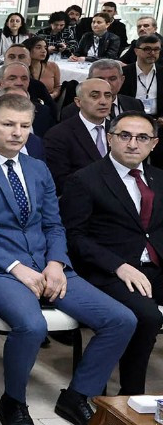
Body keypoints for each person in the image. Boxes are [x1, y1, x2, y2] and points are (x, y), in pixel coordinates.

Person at [0, 95, 134, 425]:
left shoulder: (38, 168)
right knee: (32, 325)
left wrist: (56, 263)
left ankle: (78, 396)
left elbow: (54, 225)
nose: (17, 133)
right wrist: (16, 267)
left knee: (121, 319)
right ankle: (13, 403)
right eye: (8, 124)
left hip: (46, 265)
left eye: (25, 126)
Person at [61, 112, 163, 396]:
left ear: (154, 143)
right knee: (148, 316)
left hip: (155, 266)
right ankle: (131, 394)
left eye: (142, 137)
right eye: (124, 136)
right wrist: (118, 265)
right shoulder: (85, 180)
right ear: (109, 138)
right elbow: (74, 236)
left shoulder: (159, 178)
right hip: (108, 271)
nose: (133, 144)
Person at [44, 78, 113, 194]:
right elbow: (60, 180)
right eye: (95, 96)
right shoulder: (58, 135)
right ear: (78, 102)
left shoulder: (119, 130)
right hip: (82, 198)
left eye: (108, 96)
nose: (103, 101)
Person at [0, 63, 55, 137]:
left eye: (24, 78)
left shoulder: (43, 111)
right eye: (12, 78)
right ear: (0, 84)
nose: (19, 83)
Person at [59, 59, 144, 121]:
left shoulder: (135, 105)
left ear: (122, 80)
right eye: (100, 79)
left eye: (112, 79)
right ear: (89, 81)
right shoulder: (72, 111)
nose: (106, 83)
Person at [122, 33, 162, 116]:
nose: (152, 53)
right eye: (147, 49)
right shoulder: (124, 73)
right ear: (136, 51)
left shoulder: (161, 72)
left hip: (158, 119)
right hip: (130, 118)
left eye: (156, 49)